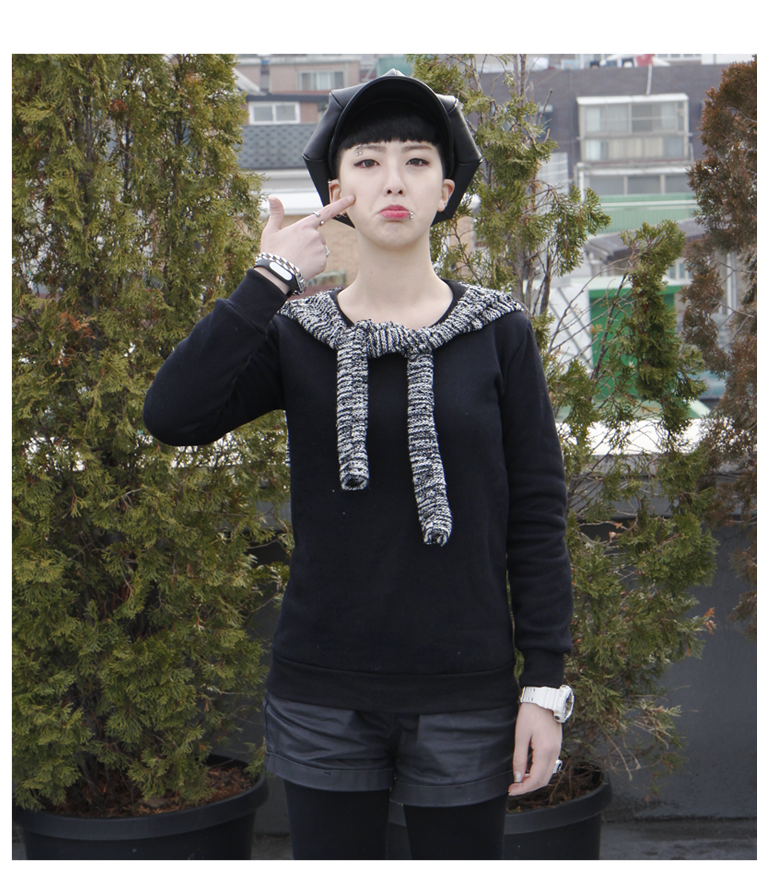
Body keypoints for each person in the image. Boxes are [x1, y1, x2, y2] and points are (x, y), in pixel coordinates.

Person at [143, 69, 574, 860]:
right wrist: (267, 280)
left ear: (445, 191)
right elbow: (173, 414)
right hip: (322, 691)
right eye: (368, 161)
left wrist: (544, 686)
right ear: (337, 190)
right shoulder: (297, 333)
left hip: (465, 690)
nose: (393, 180)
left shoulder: (499, 332)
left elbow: (538, 514)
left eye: (416, 161)